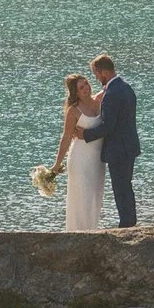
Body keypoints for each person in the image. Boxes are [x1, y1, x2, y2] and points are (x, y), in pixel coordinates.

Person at [77, 53, 139, 228]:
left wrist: (85, 135)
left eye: (96, 74)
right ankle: (130, 220)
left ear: (103, 72)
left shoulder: (112, 94)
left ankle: (126, 224)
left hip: (118, 148)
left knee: (120, 188)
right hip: (129, 145)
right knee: (126, 185)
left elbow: (107, 126)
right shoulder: (125, 87)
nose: (96, 78)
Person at [53, 72, 104, 233]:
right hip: (80, 158)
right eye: (81, 88)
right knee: (82, 196)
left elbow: (110, 87)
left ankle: (92, 231)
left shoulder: (100, 101)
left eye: (87, 84)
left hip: (98, 159)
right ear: (75, 93)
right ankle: (77, 233)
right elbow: (66, 138)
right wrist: (57, 164)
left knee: (95, 196)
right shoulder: (73, 112)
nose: (86, 89)